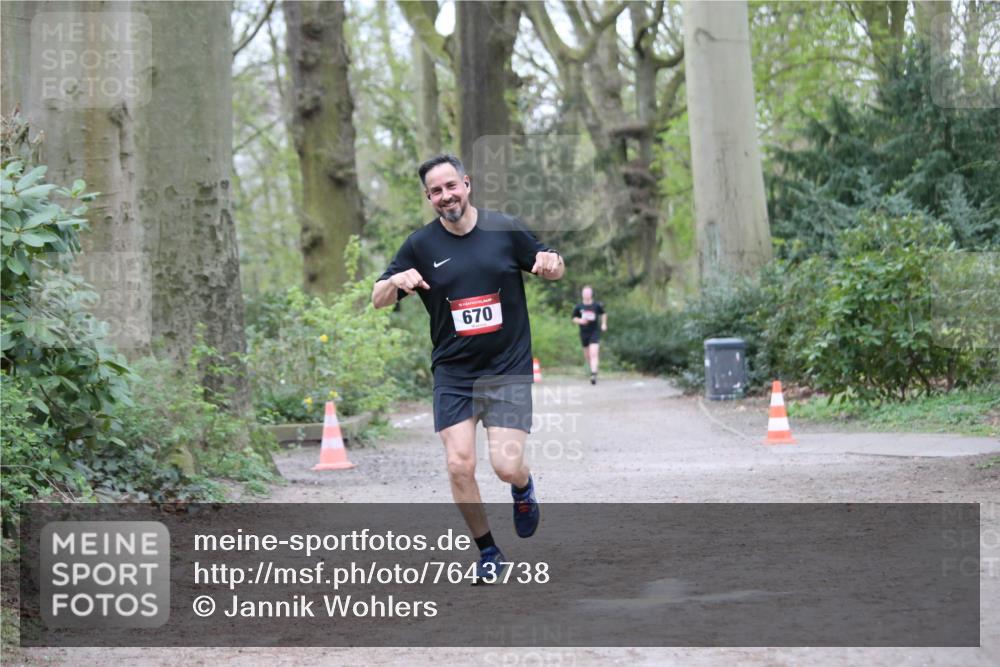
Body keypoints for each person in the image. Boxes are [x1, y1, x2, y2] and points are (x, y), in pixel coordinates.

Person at [371, 154, 564, 583]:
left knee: (505, 466)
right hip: (455, 374)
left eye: (451, 186)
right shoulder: (419, 246)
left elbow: (549, 263)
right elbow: (377, 298)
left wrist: (552, 263)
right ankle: (489, 551)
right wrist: (394, 283)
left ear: (467, 183)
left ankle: (522, 487)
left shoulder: (503, 229)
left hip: (507, 368)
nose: (445, 196)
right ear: (428, 197)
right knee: (459, 465)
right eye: (435, 192)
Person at [571, 286, 607, 384]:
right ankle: (592, 370)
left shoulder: (596, 305)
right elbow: (573, 318)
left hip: (594, 332)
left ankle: (593, 374)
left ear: (591, 294)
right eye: (585, 293)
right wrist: (580, 321)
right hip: (584, 333)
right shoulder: (579, 306)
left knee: (594, 353)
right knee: (587, 356)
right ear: (582, 294)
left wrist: (604, 324)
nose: (586, 294)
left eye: (588, 293)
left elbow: (603, 314)